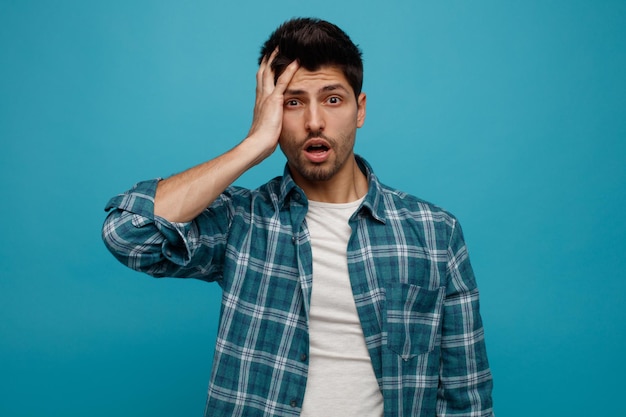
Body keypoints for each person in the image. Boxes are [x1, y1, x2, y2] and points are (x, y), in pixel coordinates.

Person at [102, 17, 494, 417]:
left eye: (332, 99)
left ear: (360, 109)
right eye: (293, 102)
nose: (314, 122)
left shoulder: (434, 233)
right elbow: (129, 234)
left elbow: (467, 398)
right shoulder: (243, 220)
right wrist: (252, 145)